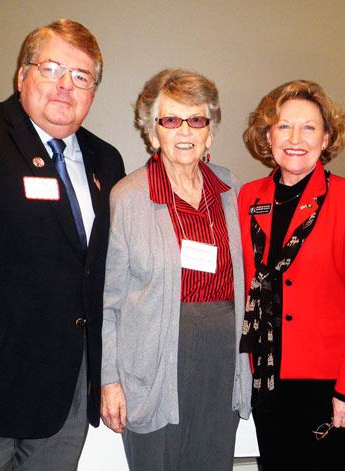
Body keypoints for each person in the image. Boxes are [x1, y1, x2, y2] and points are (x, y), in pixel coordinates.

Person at [0, 19, 125, 470]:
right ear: (22, 74)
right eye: (52, 69)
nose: (66, 86)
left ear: (93, 92)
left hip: (66, 395)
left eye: (81, 77)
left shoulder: (107, 160)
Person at [100, 68, 251, 471]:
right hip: (152, 363)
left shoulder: (231, 189)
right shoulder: (128, 197)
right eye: (170, 120)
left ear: (210, 132)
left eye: (196, 119)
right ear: (153, 133)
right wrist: (109, 380)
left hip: (220, 362)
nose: (184, 130)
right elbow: (109, 301)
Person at [239, 80, 345, 470]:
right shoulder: (248, 198)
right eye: (283, 126)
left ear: (326, 136)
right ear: (268, 135)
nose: (295, 138)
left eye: (309, 128)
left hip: (327, 383)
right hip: (267, 375)